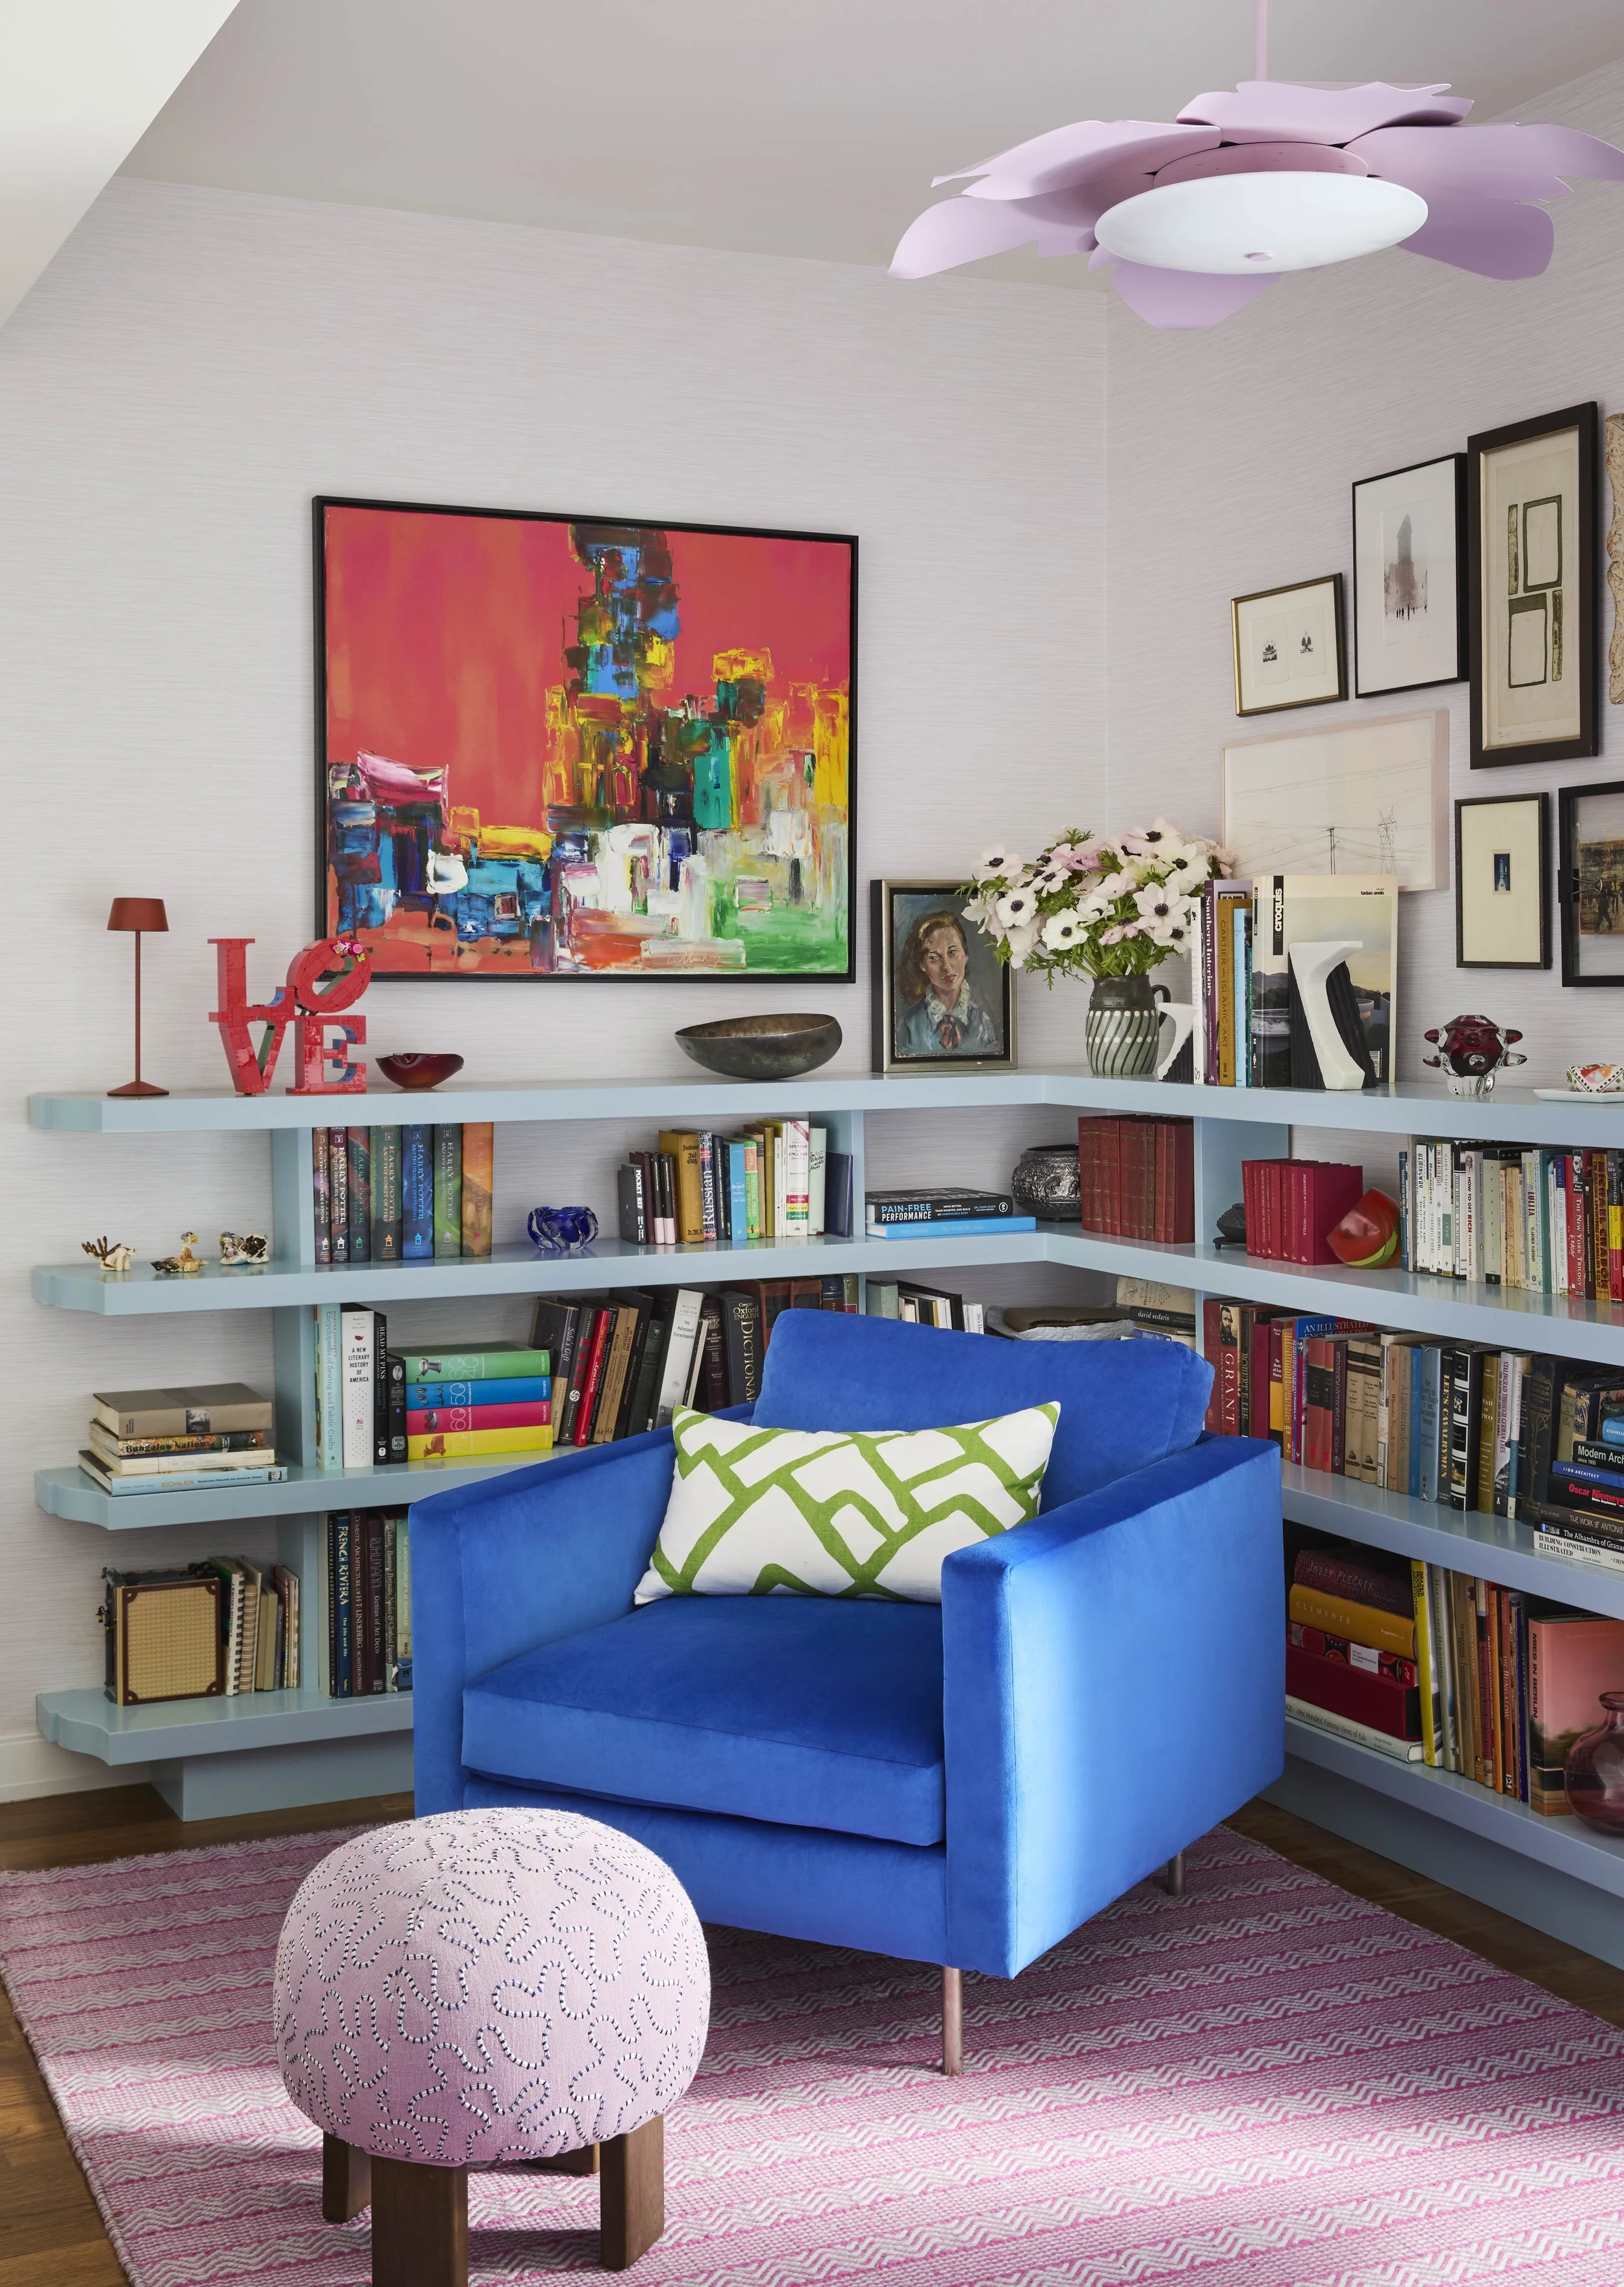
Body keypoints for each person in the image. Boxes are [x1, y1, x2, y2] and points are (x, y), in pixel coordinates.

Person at [894, 907, 1001, 1057]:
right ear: (923, 965)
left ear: (965, 955)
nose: (947, 967)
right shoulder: (909, 1025)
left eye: (952, 953)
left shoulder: (983, 1022)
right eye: (934, 958)